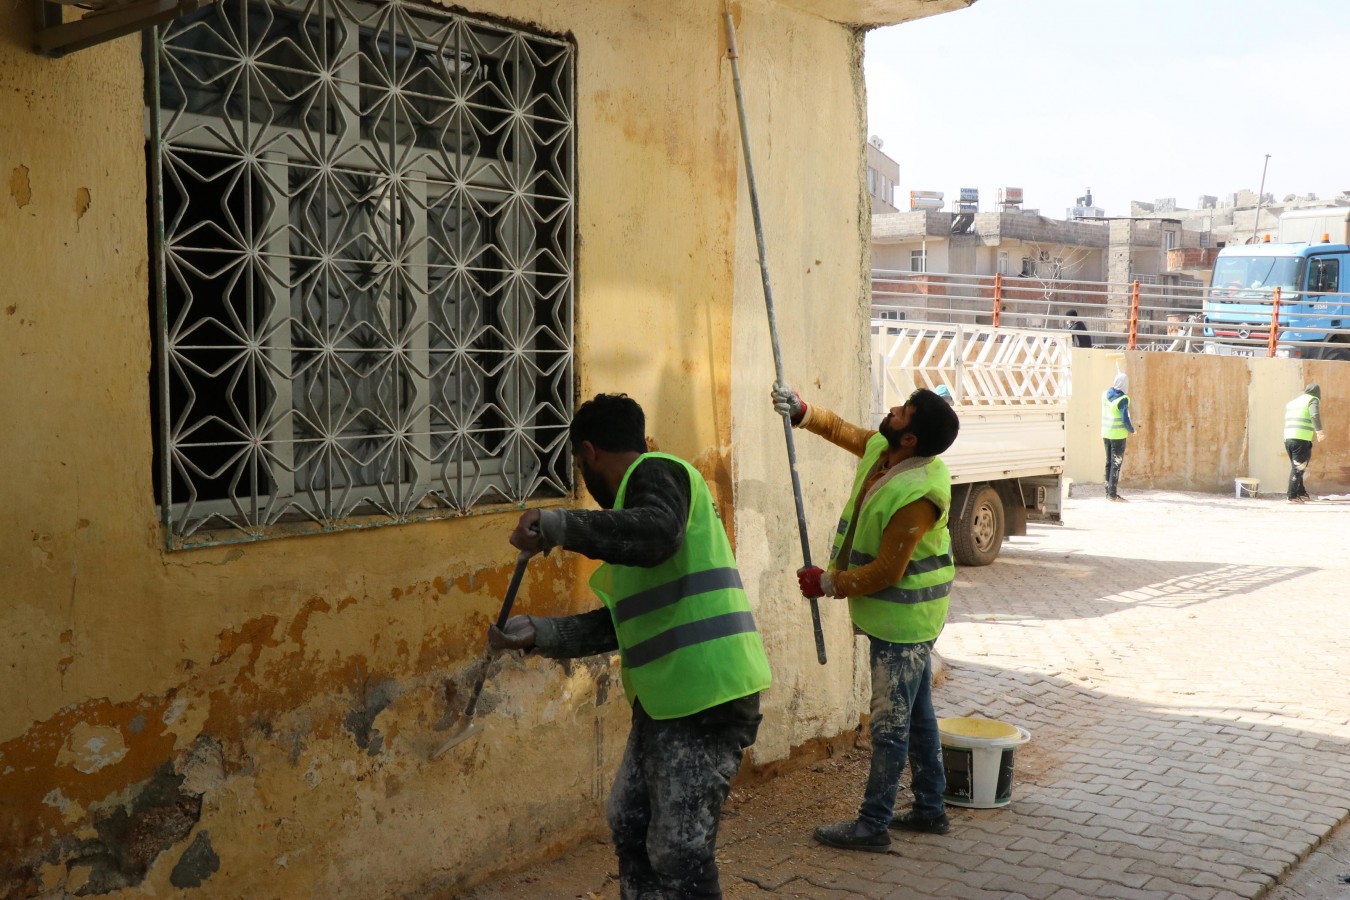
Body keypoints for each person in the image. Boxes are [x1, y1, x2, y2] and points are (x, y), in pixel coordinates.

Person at [491, 393, 772, 899]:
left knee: (679, 850)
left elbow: (658, 534)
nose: (583, 478)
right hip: (670, 699)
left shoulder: (657, 472)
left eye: (578, 465)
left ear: (590, 453)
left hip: (709, 694)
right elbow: (621, 624)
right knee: (629, 820)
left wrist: (558, 526)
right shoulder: (631, 521)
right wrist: (540, 632)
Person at [770, 382, 960, 853]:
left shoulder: (918, 493)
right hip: (900, 619)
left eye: (902, 412)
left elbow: (887, 571)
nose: (892, 410)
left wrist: (828, 583)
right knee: (917, 715)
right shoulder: (886, 450)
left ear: (911, 439)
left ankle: (872, 825)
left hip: (907, 622)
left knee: (890, 727)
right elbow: (845, 432)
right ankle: (930, 809)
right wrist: (803, 411)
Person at [1283, 384, 1325, 503]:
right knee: (1298, 467)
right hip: (1301, 438)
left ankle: (1301, 493)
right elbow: (1314, 414)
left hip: (1288, 438)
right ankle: (1291, 496)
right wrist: (1319, 431)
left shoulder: (1294, 402)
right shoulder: (1312, 399)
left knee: (1297, 466)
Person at [1102, 372, 1136, 502]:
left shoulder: (1104, 395)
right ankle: (1112, 494)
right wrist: (1132, 430)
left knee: (1108, 462)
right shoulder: (1123, 399)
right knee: (1116, 464)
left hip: (1105, 433)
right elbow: (1125, 418)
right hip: (1118, 435)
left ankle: (1107, 492)